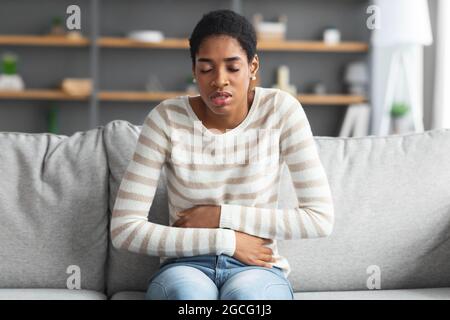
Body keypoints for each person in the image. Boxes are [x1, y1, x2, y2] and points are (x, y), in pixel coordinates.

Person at [111, 9, 335, 300]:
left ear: (253, 66)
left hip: (257, 268)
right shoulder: (166, 118)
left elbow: (319, 218)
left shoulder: (281, 111)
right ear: (194, 70)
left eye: (233, 67)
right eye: (206, 69)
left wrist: (219, 215)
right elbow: (125, 229)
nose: (219, 80)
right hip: (185, 266)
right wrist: (226, 240)